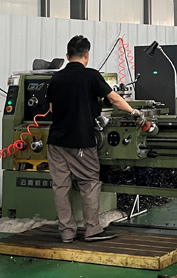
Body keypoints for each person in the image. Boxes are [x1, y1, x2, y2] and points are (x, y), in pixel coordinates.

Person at [47, 35, 143, 243]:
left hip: (55, 142)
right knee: (89, 183)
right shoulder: (91, 75)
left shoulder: (56, 78)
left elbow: (52, 109)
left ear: (67, 56)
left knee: (60, 187)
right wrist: (134, 112)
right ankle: (92, 229)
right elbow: (114, 99)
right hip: (80, 141)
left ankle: (67, 233)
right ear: (87, 55)